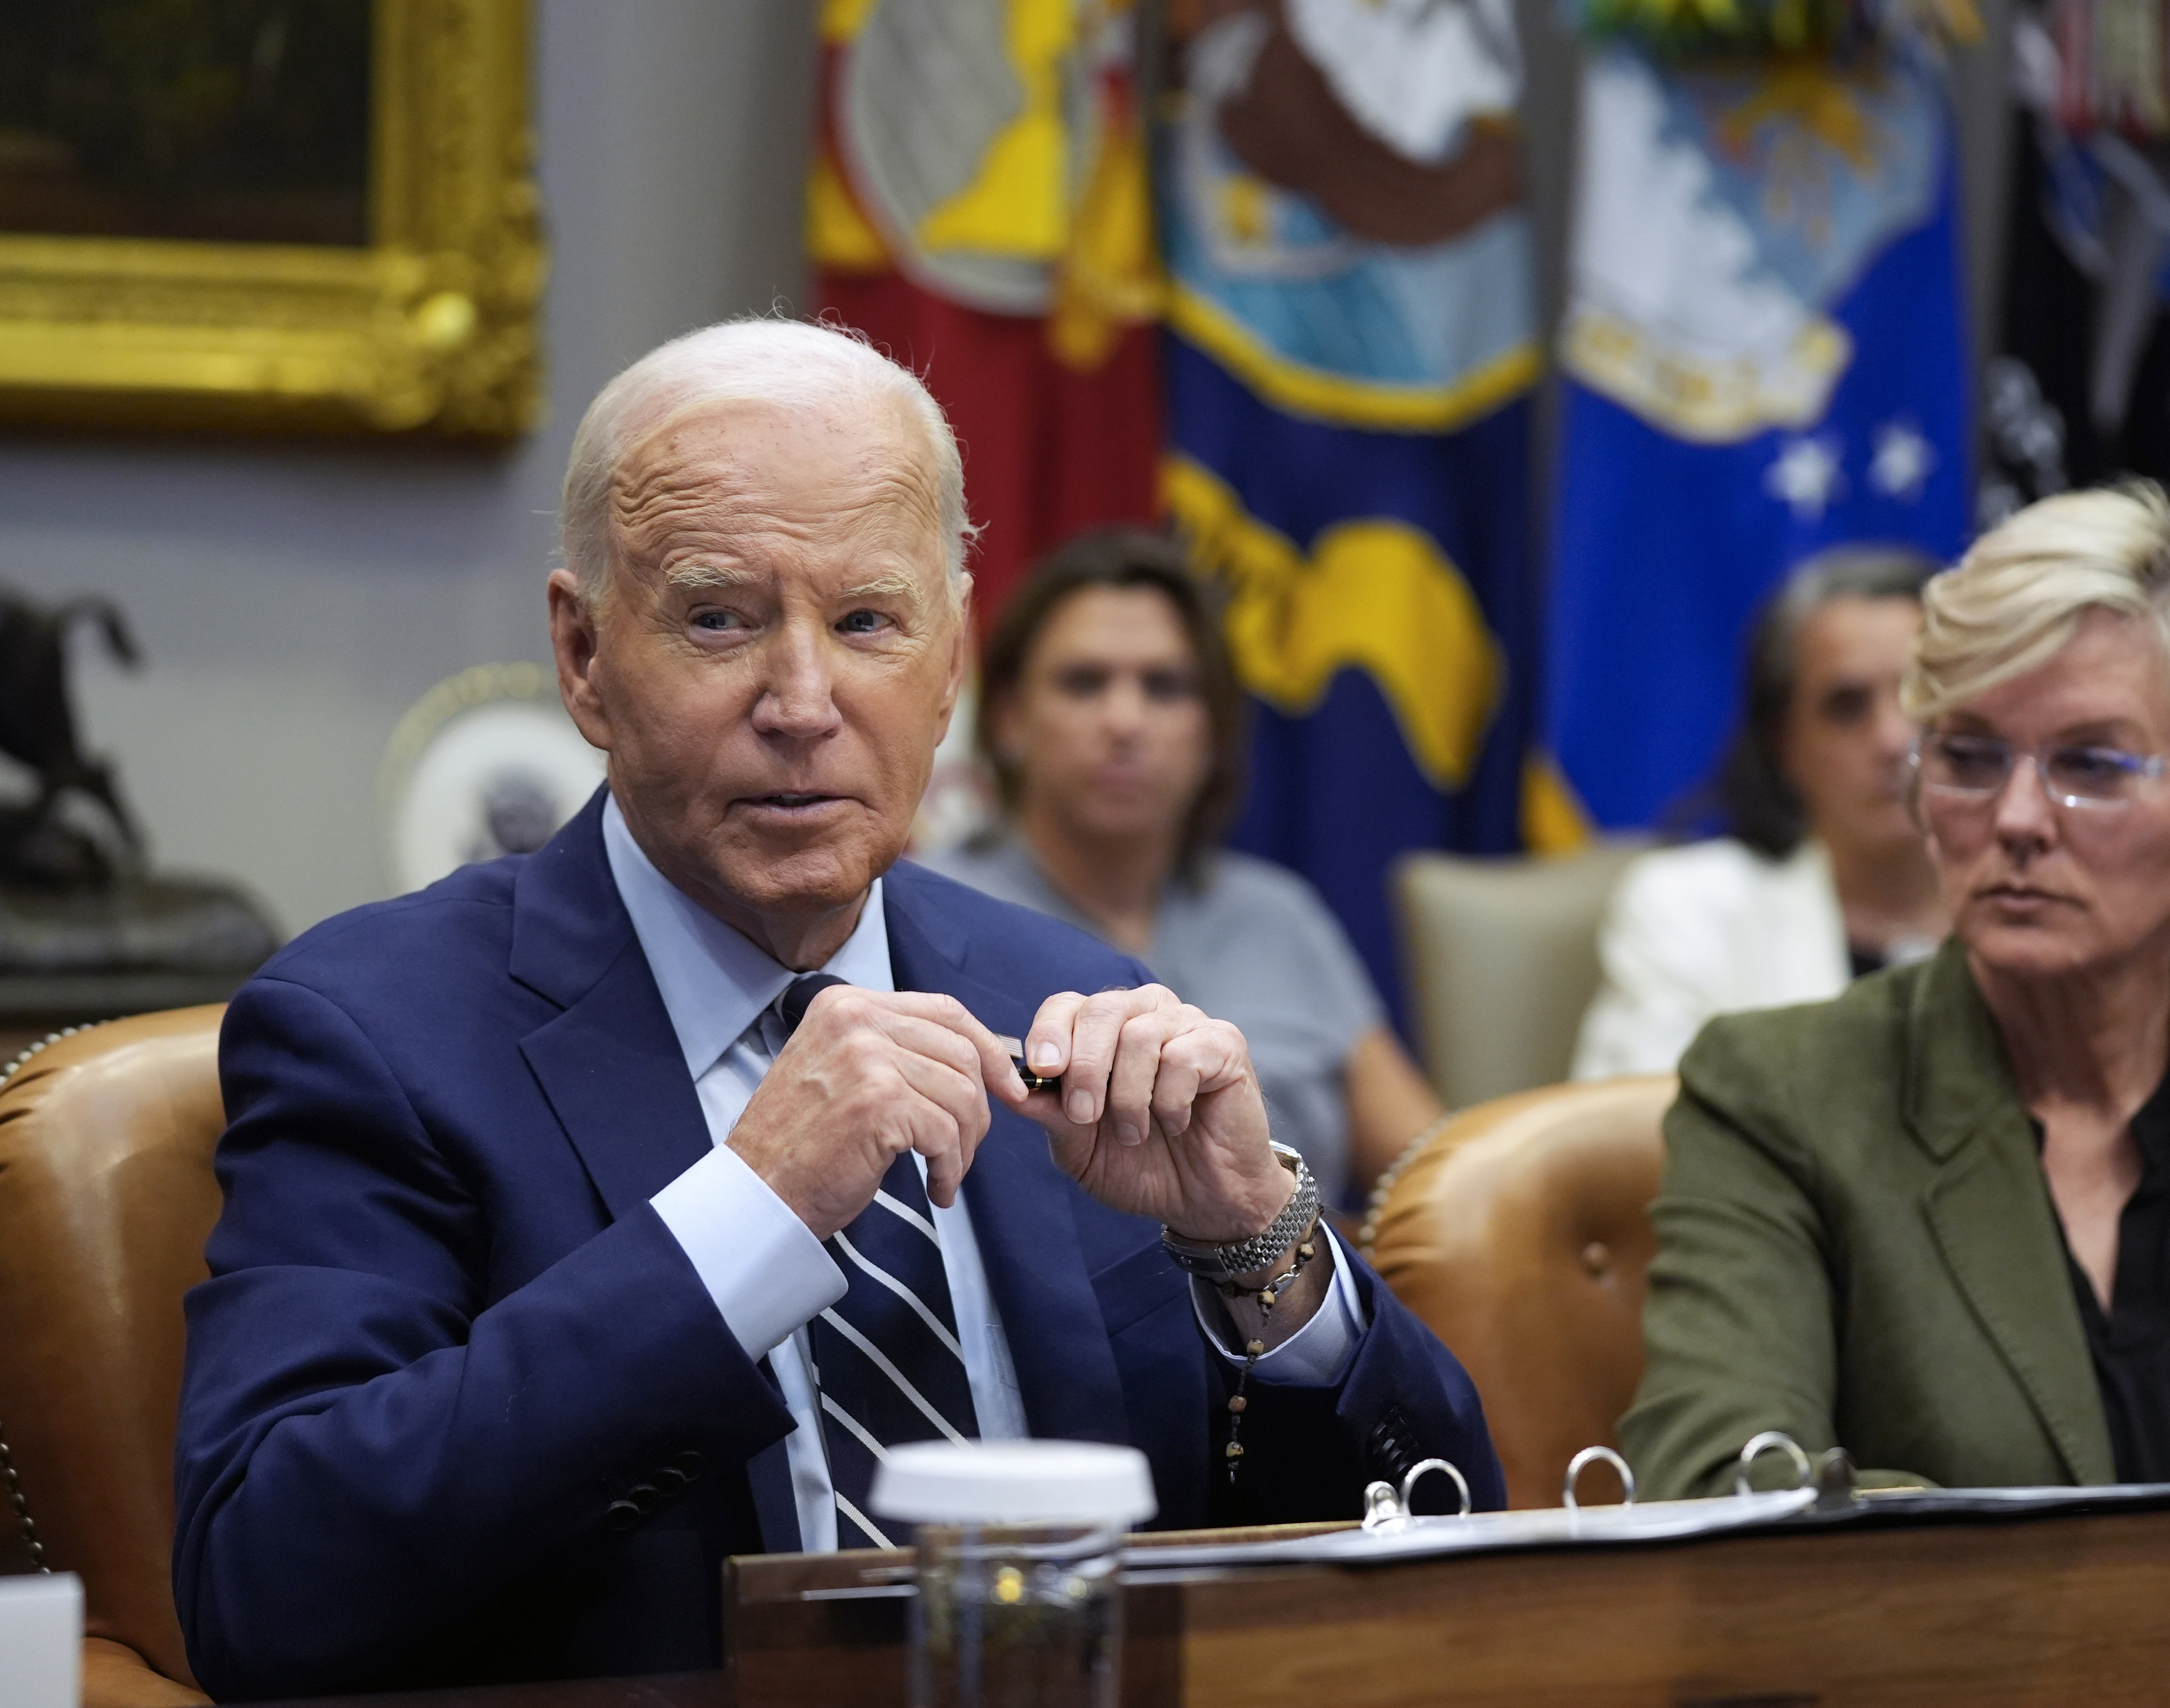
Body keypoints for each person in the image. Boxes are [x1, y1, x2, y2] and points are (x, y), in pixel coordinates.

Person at [173, 321, 1500, 1700]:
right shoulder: (372, 1028)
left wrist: (1258, 1247)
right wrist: (748, 1213)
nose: (802, 704)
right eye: (718, 618)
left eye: (867, 620)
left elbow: (1444, 1532)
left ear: (951, 658)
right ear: (582, 657)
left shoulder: (1074, 1002)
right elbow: (266, 1580)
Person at [1622, 484, 2170, 1499]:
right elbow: (1719, 1491)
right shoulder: (1778, 1094)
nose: (2018, 816)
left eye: (2089, 763)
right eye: (1967, 756)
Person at [924, 531, 1441, 1209]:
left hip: (1294, 1299)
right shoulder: (926, 912)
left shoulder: (1277, 914)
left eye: (1165, 687)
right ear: (1011, 720)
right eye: (1085, 682)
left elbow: (1435, 1174)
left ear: (1213, 730)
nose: (1125, 720)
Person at [1572, 548, 1947, 1080]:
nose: (1892, 738)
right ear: (1784, 744)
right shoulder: (1686, 910)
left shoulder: (2033, 906)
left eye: (1918, 697)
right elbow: (1620, 1142)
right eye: (1847, 705)